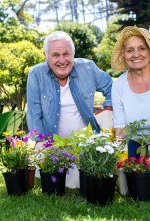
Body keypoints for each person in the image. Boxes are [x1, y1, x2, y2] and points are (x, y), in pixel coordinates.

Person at [26, 31, 113, 188]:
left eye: (66, 54)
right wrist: (40, 142)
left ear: (73, 54)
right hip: (53, 147)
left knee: (82, 181)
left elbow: (112, 87)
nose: (62, 60)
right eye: (55, 55)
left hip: (86, 145)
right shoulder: (36, 74)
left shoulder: (88, 68)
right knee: (58, 181)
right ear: (46, 55)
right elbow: (34, 112)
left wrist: (108, 108)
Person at [111, 26, 150, 158]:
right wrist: (116, 157)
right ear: (124, 55)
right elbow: (120, 128)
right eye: (129, 50)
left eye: (142, 48)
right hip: (135, 145)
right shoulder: (118, 85)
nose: (136, 54)